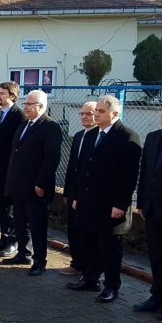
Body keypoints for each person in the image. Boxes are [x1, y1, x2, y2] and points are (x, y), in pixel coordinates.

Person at [66, 95, 141, 303]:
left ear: (114, 114)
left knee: (109, 248)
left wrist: (120, 204)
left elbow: (129, 177)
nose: (95, 115)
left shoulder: (127, 137)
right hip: (89, 202)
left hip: (111, 205)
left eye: (100, 111)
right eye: (95, 111)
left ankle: (111, 286)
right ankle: (90, 278)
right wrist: (77, 196)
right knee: (89, 242)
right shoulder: (91, 136)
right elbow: (82, 170)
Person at [3, 90, 62, 276]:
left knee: (37, 226)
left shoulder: (50, 127)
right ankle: (23, 253)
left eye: (29, 104)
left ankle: (40, 261)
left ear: (41, 106)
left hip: (36, 187)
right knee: (20, 222)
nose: (25, 107)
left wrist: (41, 183)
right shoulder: (24, 125)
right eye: (25, 103)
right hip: (18, 185)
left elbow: (51, 159)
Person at [0, 82, 25, 253]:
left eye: (2, 93)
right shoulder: (0, 113)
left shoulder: (18, 116)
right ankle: (3, 237)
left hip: (9, 170)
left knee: (10, 209)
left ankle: (13, 241)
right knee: (0, 207)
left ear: (12, 96)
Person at [60, 101, 97, 276]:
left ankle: (90, 266)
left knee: (87, 231)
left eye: (88, 114)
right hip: (74, 191)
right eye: (81, 113)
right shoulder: (79, 135)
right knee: (73, 228)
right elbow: (72, 167)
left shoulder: (99, 138)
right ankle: (76, 262)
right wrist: (68, 192)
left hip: (88, 195)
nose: (84, 117)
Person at [135, 109, 162, 319]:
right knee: (156, 255)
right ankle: (156, 296)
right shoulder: (153, 138)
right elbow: (144, 173)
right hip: (153, 208)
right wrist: (142, 203)